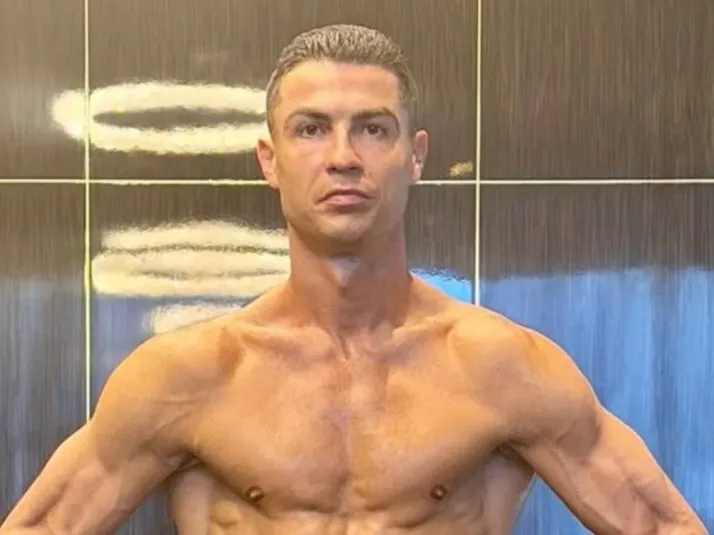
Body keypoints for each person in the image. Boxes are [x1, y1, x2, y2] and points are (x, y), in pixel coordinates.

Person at [0, 23, 707, 535]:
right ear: (269, 159)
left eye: (373, 128)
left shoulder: (501, 368)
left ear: (415, 155)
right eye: (311, 129)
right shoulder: (187, 376)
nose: (343, 157)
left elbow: (661, 524)